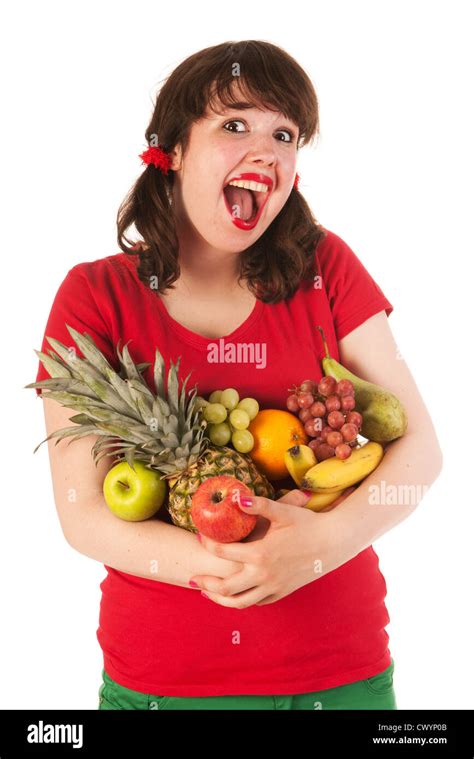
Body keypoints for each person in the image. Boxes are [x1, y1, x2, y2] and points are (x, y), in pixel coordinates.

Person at [34, 40, 442, 711]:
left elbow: (421, 450)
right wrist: (248, 564)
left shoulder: (327, 267)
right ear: (173, 150)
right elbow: (85, 518)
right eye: (234, 125)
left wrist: (320, 545)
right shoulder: (93, 295)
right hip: (166, 683)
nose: (269, 151)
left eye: (285, 134)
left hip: (338, 675)